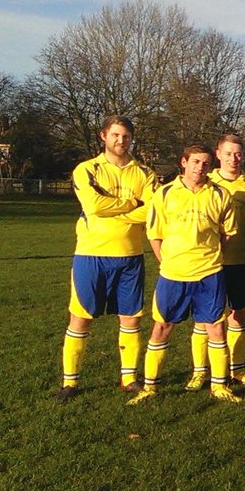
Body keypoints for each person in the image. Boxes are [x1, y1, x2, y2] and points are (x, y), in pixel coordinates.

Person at [56, 115, 157, 402]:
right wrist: (130, 205)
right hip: (91, 255)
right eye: (115, 135)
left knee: (131, 318)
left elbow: (151, 210)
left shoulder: (145, 173)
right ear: (104, 136)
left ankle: (129, 379)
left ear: (132, 138)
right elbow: (93, 205)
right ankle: (70, 382)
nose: (120, 140)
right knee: (80, 318)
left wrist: (119, 209)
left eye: (126, 136)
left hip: (130, 256)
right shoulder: (87, 169)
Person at [128, 145, 239, 404]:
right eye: (196, 162)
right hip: (173, 274)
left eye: (205, 163)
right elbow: (154, 234)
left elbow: (228, 233)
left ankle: (219, 386)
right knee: (162, 327)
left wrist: (209, 257)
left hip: (209, 273)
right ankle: (150, 387)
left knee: (216, 328)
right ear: (184, 162)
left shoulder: (220, 194)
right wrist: (167, 261)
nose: (200, 167)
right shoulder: (164, 194)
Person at [187, 134, 245, 391]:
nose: (233, 159)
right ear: (218, 154)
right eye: (228, 153)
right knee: (205, 319)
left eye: (238, 154)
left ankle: (236, 369)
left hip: (240, 259)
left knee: (238, 315)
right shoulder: (206, 182)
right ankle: (199, 372)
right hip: (207, 262)